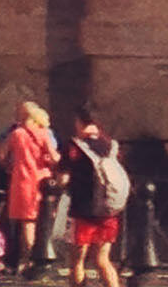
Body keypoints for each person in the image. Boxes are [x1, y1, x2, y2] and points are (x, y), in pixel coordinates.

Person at [56, 105, 123, 287]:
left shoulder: (73, 146)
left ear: (79, 122)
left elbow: (63, 178)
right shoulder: (111, 144)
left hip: (82, 210)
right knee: (103, 260)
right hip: (109, 209)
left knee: (77, 260)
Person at [0, 100, 60, 276]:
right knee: (44, 219)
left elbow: (1, 155)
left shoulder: (16, 134)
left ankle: (30, 260)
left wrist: (10, 166)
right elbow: (55, 157)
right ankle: (43, 257)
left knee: (27, 223)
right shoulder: (44, 133)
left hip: (23, 180)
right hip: (43, 180)